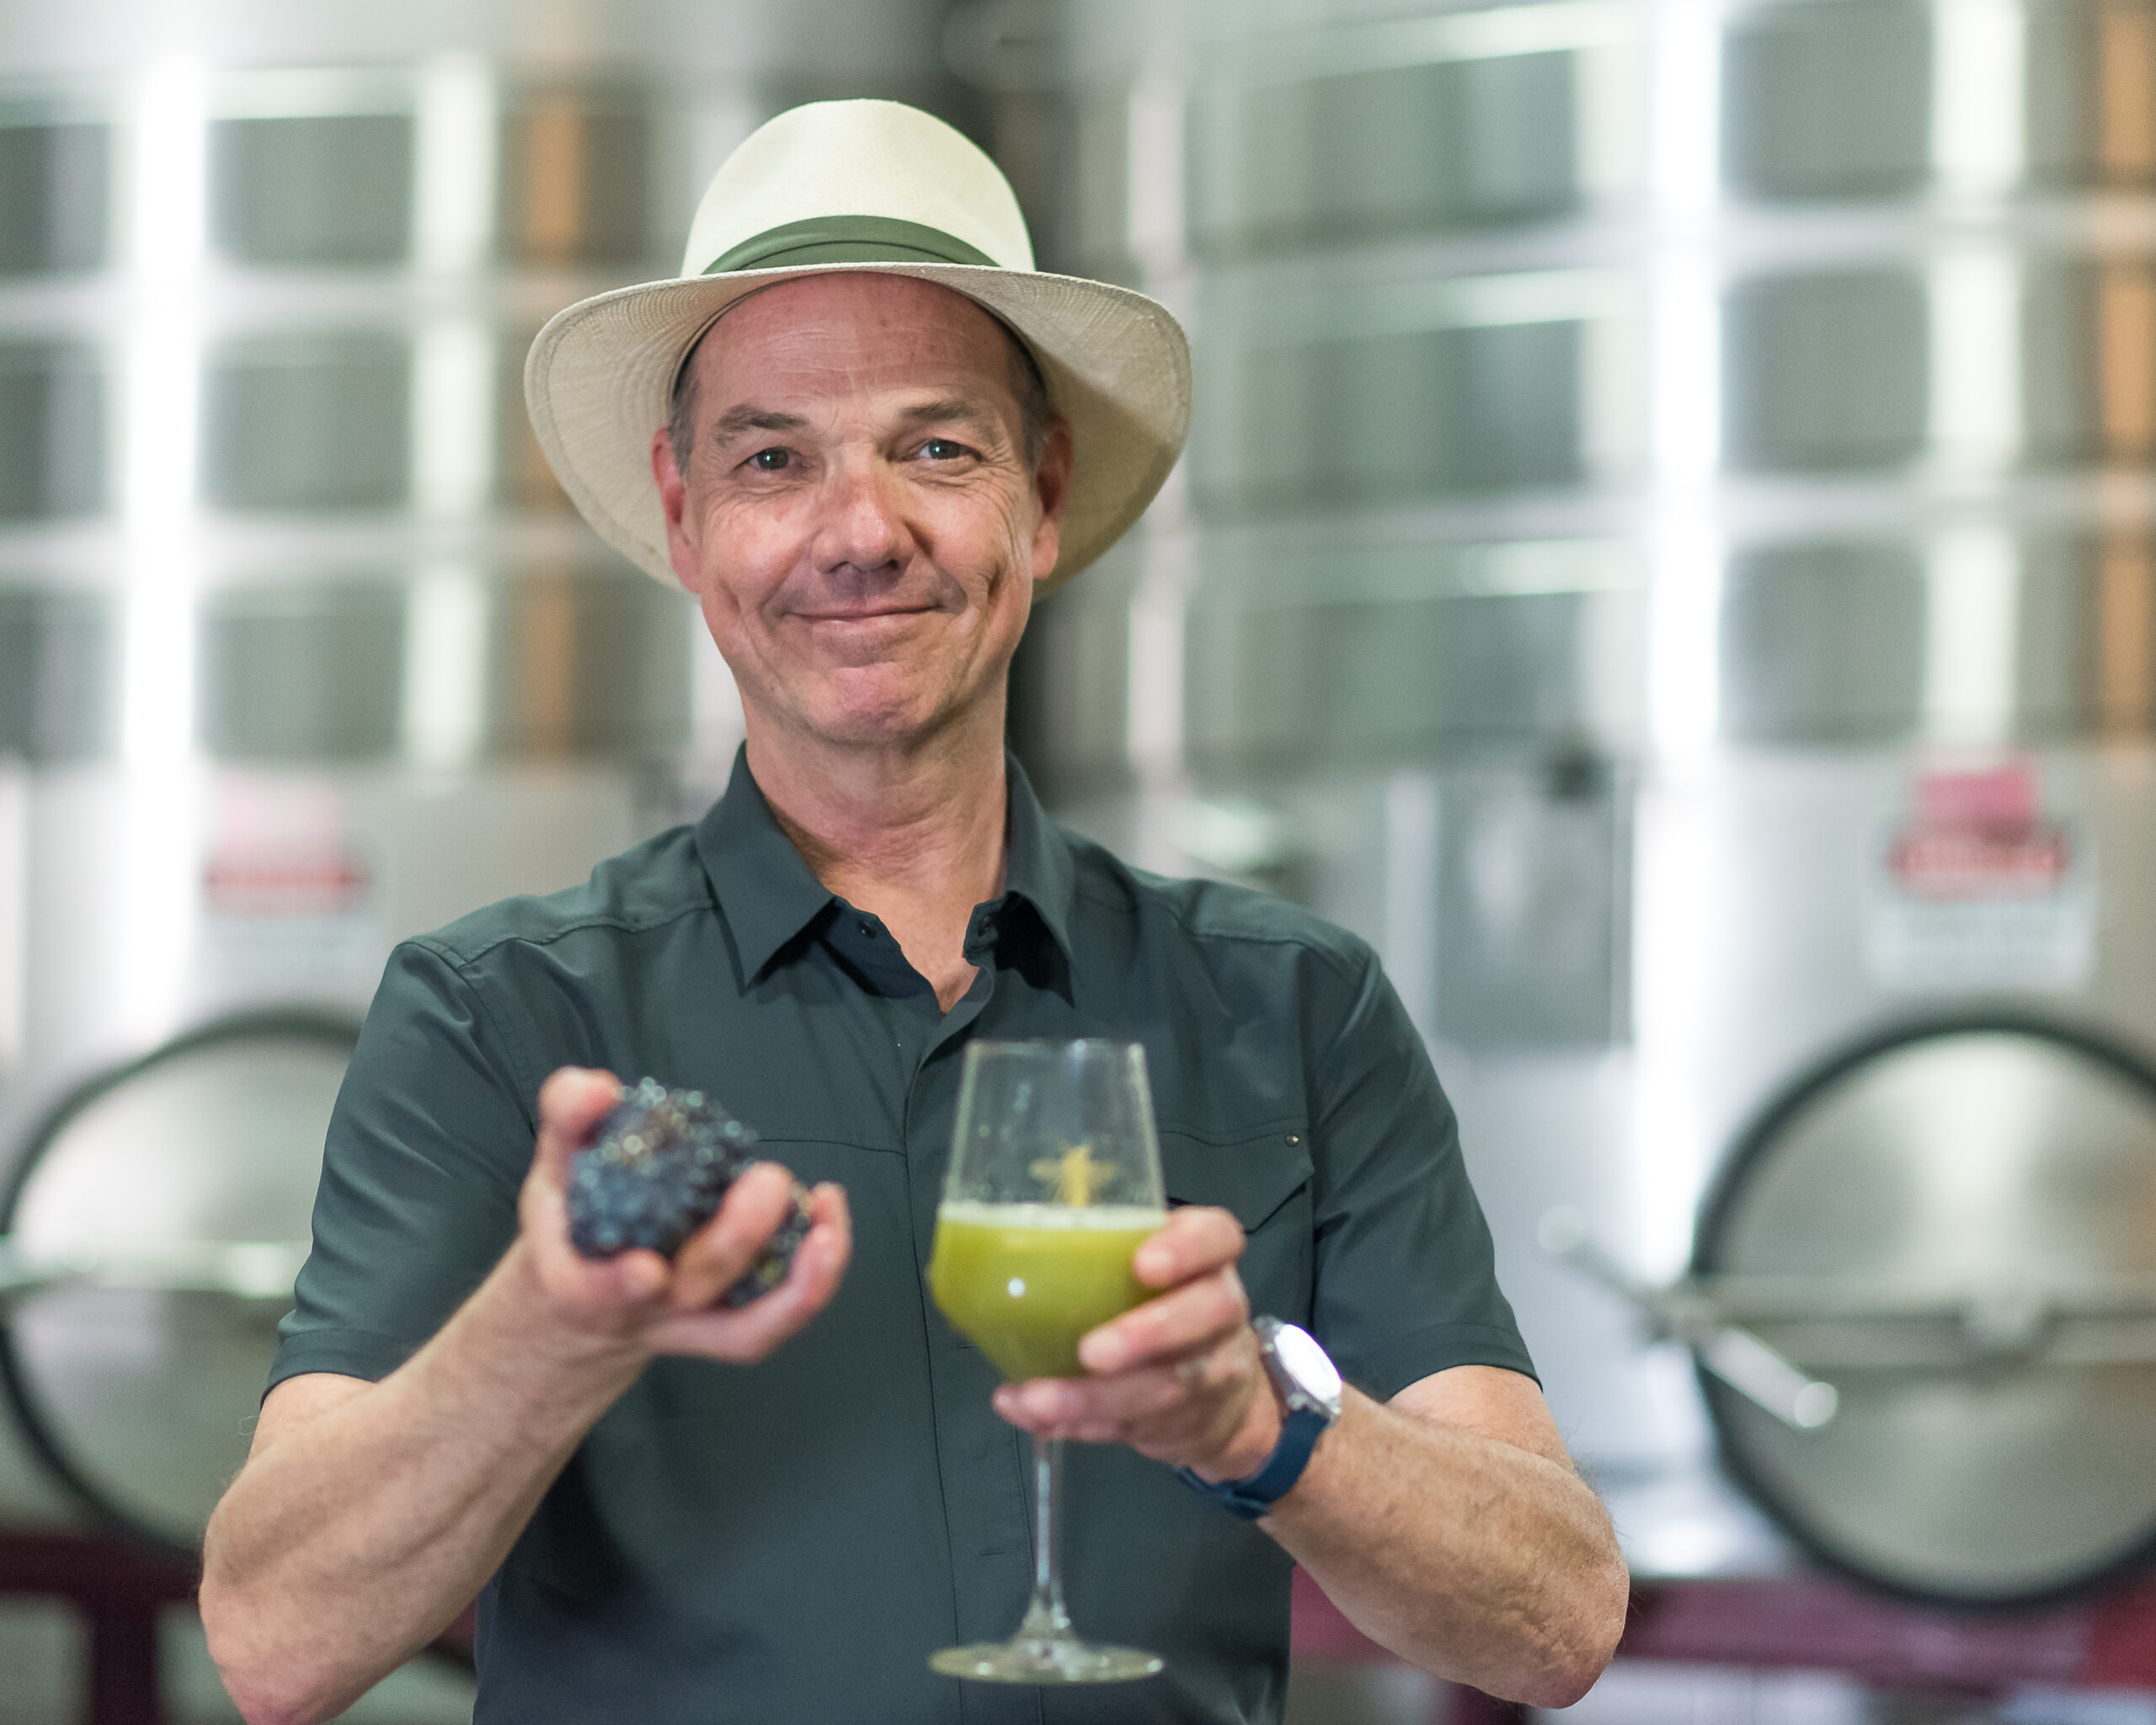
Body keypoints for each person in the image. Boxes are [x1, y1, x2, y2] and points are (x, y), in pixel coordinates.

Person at [199, 99, 1627, 1724]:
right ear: (685, 518)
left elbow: (1555, 1621)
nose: (860, 531)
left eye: (935, 448)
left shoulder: (1288, 1007)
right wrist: (545, 1335)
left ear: (1041, 497)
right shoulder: (505, 1017)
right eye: (773, 461)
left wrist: (1267, 1419)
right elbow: (274, 1639)